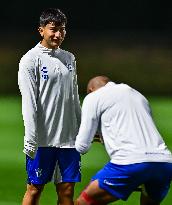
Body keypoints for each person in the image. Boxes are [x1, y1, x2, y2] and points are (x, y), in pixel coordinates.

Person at [75, 76, 172, 205]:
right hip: (164, 163)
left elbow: (82, 147)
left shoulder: (93, 97)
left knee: (83, 202)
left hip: (129, 164)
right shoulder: (138, 95)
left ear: (91, 90)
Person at [18, 8, 81, 205]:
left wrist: (82, 129)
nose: (58, 34)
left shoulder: (69, 58)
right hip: (42, 140)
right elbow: (29, 101)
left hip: (68, 139)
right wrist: (31, 139)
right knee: (35, 189)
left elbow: (74, 97)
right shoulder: (30, 60)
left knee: (67, 191)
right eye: (53, 29)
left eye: (62, 29)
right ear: (41, 30)